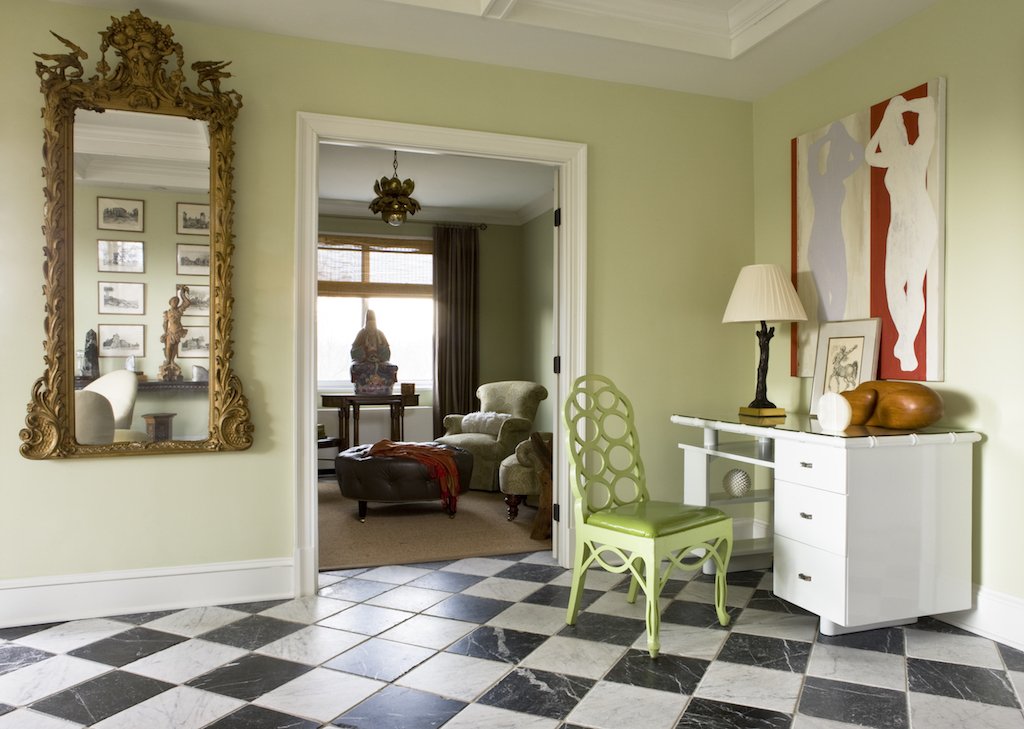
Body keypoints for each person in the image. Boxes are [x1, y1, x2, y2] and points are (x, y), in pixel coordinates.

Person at [865, 94, 938, 372]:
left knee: (914, 284)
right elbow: (868, 154)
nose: (893, 138)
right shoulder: (890, 160)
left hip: (920, 223)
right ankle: (906, 341)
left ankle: (906, 345)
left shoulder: (917, 151)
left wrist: (902, 106)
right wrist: (888, 117)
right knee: (892, 286)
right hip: (897, 228)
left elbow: (929, 108)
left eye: (896, 131)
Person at [160, 285, 192, 367]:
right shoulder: (167, 312)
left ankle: (172, 361)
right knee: (168, 347)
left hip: (178, 331)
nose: (175, 302)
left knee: (175, 347)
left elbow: (187, 303)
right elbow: (165, 323)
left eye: (177, 301)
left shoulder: (179, 310)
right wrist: (165, 332)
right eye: (173, 301)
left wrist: (182, 294)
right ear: (170, 303)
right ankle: (168, 360)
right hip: (170, 332)